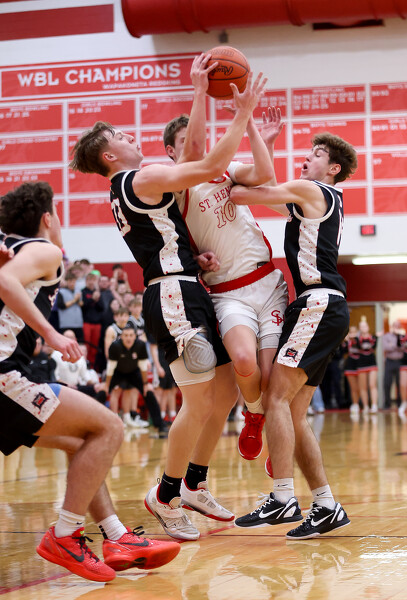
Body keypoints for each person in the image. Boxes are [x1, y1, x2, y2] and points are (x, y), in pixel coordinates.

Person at [69, 54, 266, 540]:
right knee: (198, 403)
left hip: (185, 284)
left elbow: (161, 233)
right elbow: (210, 164)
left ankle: (194, 483)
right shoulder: (139, 178)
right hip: (172, 297)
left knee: (223, 394)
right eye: (120, 136)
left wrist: (192, 257)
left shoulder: (132, 186)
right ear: (109, 156)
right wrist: (241, 113)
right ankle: (166, 493)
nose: (129, 136)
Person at [0, 182, 180, 581]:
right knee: (109, 427)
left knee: (81, 442)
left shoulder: (8, 248)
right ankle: (65, 534)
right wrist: (52, 334)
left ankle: (116, 536)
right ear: (48, 218)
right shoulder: (44, 250)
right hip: (5, 378)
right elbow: (6, 282)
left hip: (12, 376)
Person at [231, 132, 357, 539]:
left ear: (333, 168)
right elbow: (266, 189)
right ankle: (326, 504)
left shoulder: (312, 189)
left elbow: (242, 194)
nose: (307, 158)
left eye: (317, 154)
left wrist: (223, 172)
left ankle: (283, 496)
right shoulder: (312, 198)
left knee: (275, 398)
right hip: (325, 307)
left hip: (318, 303)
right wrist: (263, 147)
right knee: (294, 414)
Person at [165, 103, 287, 462]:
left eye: (200, 137)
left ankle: (275, 435)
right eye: (187, 140)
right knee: (244, 361)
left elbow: (264, 174)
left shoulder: (225, 170)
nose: (197, 143)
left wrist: (259, 135)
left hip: (267, 281)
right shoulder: (175, 188)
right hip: (227, 291)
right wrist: (196, 261)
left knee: (272, 375)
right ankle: (255, 413)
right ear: (171, 151)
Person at [356, 318, 378, 414]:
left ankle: (374, 405)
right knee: (363, 387)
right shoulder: (357, 339)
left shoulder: (373, 338)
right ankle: (365, 406)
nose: (363, 328)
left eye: (365, 326)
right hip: (361, 363)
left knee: (372, 385)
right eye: (361, 327)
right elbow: (358, 347)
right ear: (359, 329)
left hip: (372, 363)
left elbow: (374, 347)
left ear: (368, 327)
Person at [56, 270, 84, 341]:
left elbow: (81, 304)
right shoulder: (61, 292)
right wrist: (74, 300)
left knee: (79, 342)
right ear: (66, 282)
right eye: (70, 281)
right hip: (66, 323)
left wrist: (78, 300)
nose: (72, 284)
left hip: (78, 323)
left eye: (74, 282)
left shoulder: (78, 291)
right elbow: (61, 306)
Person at [382, 320, 403, 409]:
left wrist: (392, 345)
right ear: (392, 326)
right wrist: (396, 345)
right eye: (395, 325)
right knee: (387, 383)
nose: (396, 327)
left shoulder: (402, 337)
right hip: (389, 361)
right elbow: (386, 348)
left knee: (400, 383)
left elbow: (404, 348)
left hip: (400, 362)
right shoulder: (386, 336)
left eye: (398, 326)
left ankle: (400, 403)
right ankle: (387, 403)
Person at [343, 325, 361, 416]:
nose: (353, 334)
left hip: (360, 364)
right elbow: (343, 351)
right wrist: (345, 340)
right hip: (350, 365)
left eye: (355, 332)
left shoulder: (360, 340)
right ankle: (355, 404)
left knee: (360, 387)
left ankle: (362, 403)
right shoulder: (347, 342)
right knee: (353, 387)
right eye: (351, 332)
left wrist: (356, 339)